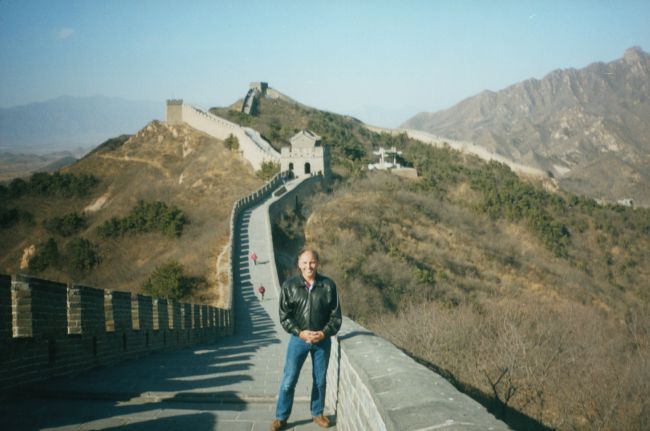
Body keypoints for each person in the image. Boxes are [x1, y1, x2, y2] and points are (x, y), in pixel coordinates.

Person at [270, 248, 342, 431]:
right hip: (298, 340)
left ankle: (317, 413)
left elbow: (336, 317)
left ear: (317, 263)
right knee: (289, 380)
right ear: (298, 264)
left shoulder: (328, 285)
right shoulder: (289, 286)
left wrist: (324, 333)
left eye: (311, 262)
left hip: (322, 341)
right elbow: (285, 317)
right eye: (304, 262)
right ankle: (281, 417)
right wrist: (300, 332)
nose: (308, 266)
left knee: (320, 380)